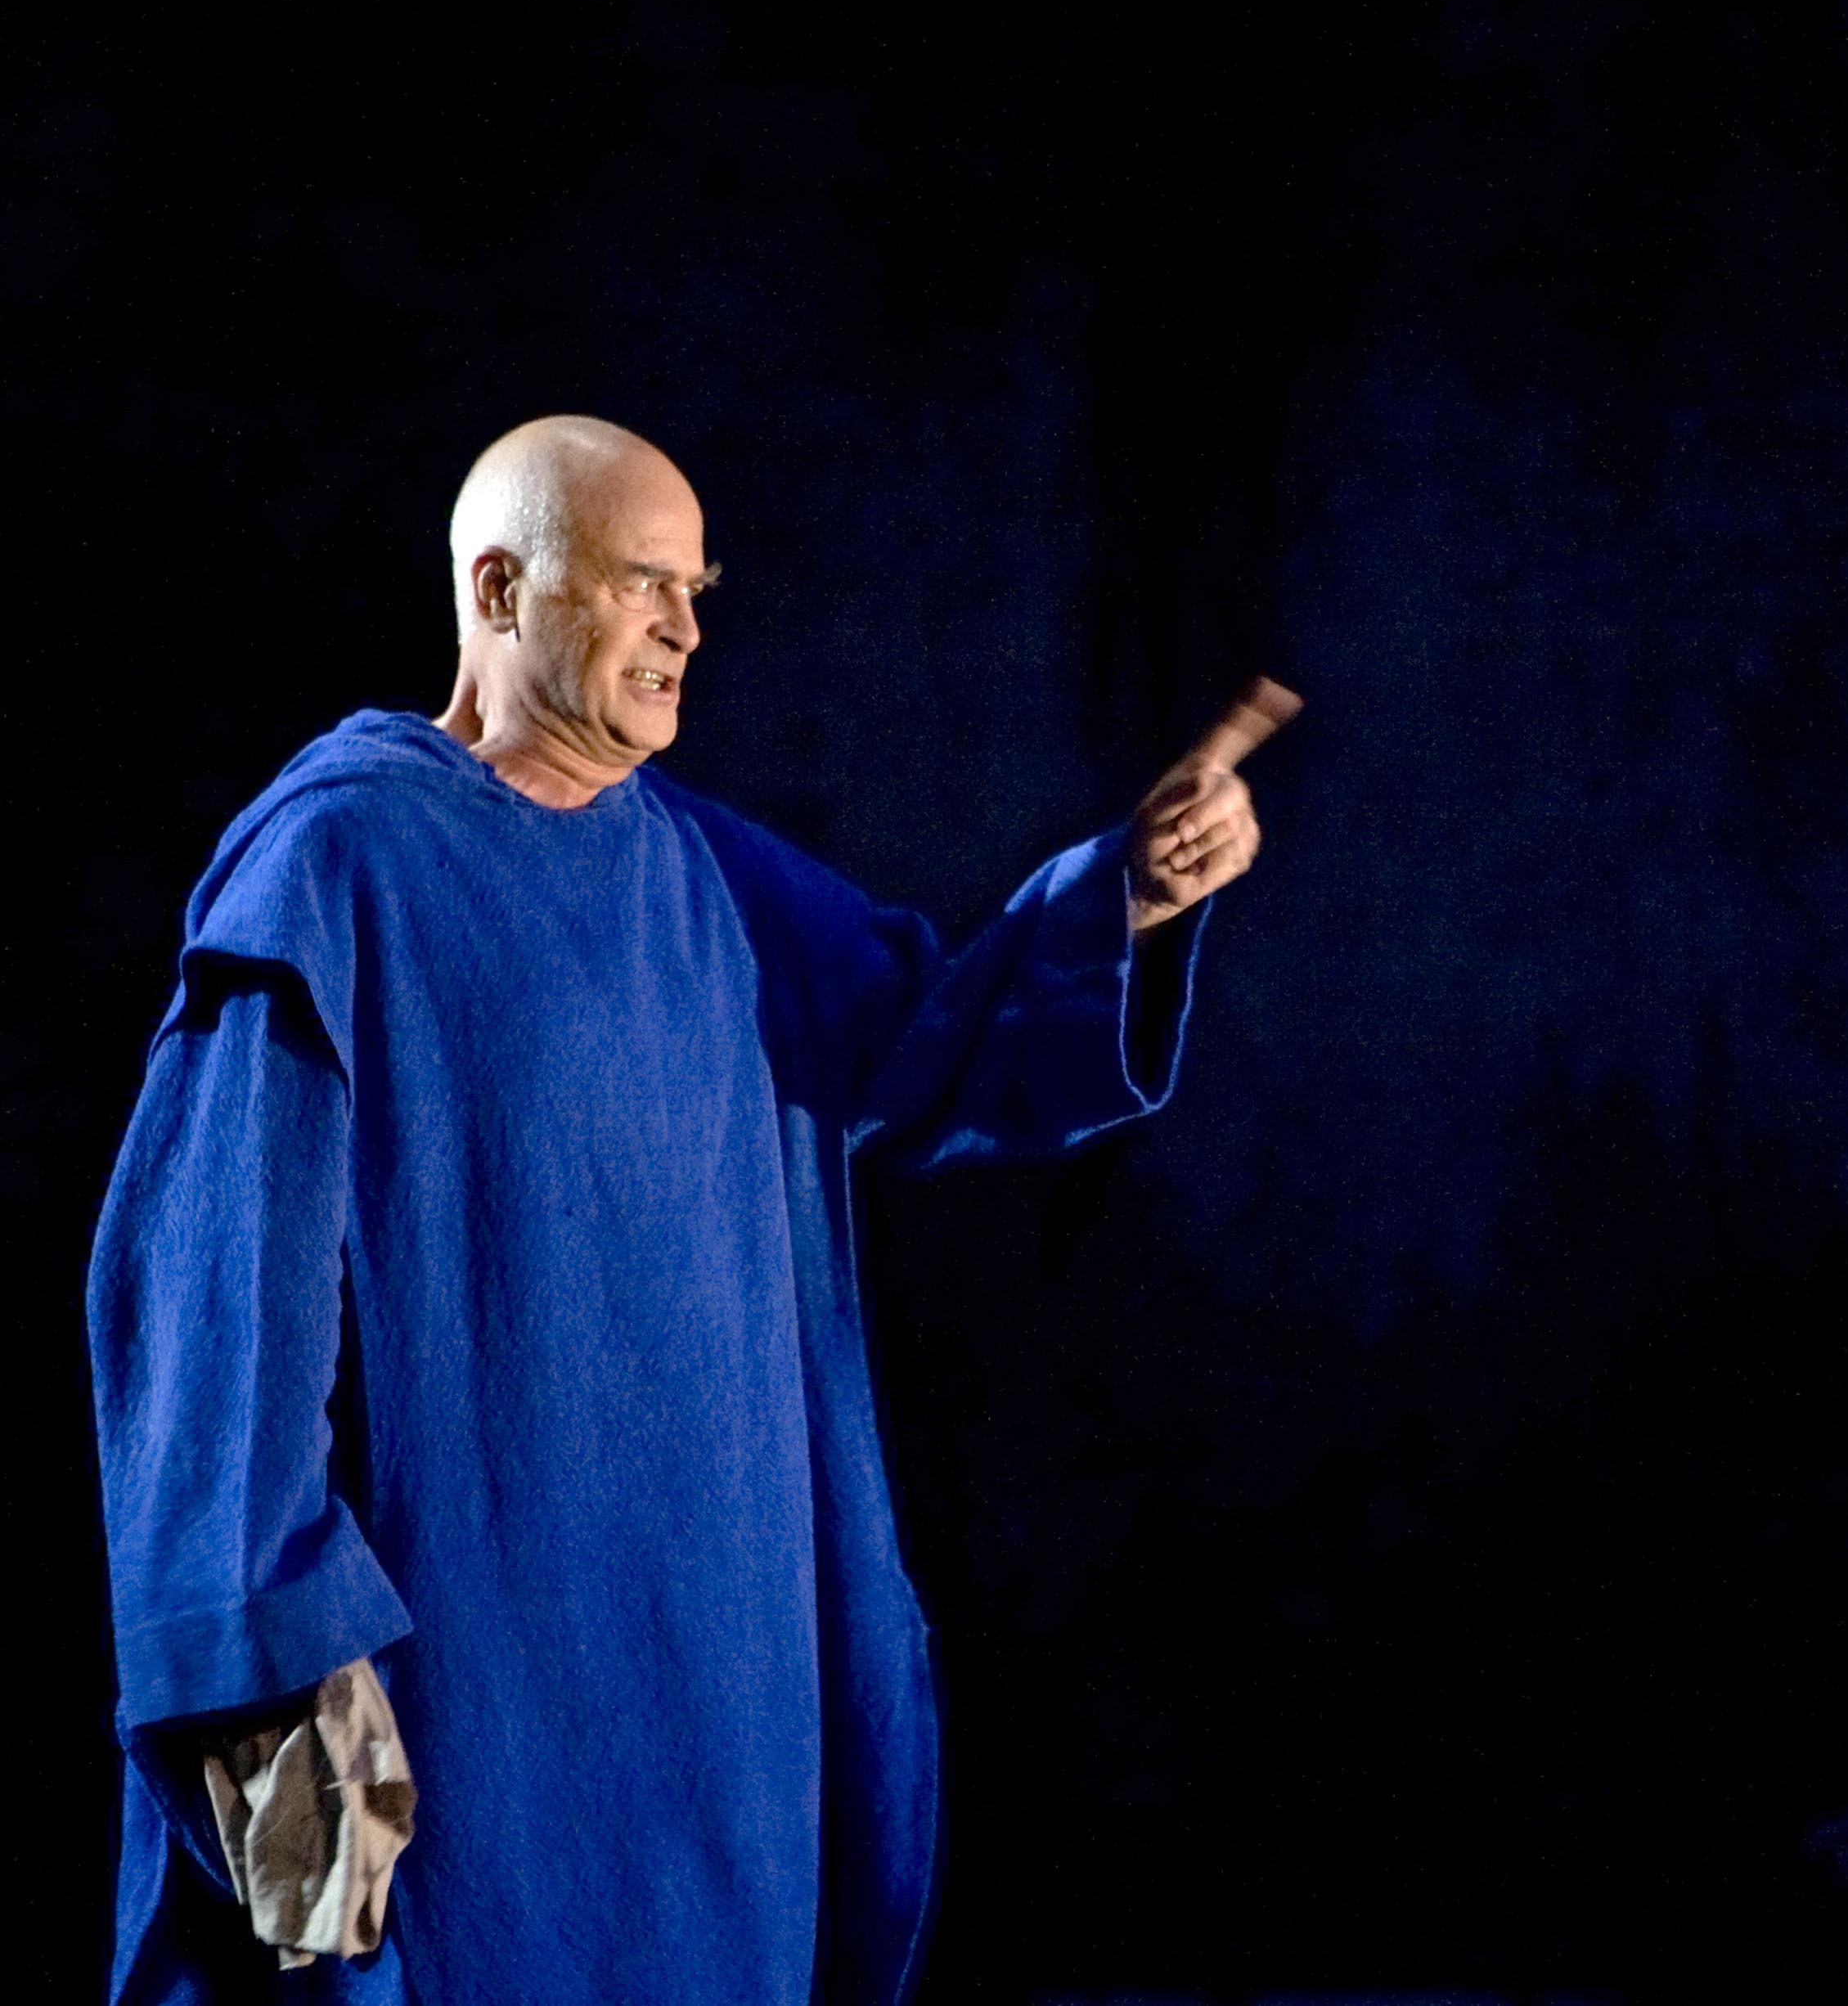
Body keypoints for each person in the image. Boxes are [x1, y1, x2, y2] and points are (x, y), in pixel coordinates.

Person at [91, 416, 1267, 2005]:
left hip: (723, 1711)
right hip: (476, 1726)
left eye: (697, 590)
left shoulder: (706, 872)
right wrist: (311, 1811)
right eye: (644, 582)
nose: (687, 628)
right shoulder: (336, 870)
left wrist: (1130, 889)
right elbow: (210, 1360)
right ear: (500, 590)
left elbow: (931, 1040)